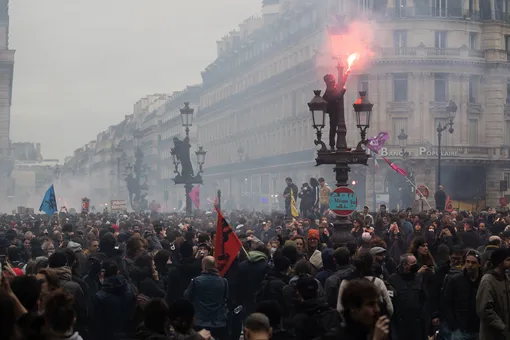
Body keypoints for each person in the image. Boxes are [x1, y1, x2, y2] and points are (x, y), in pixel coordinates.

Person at [322, 279, 389, 340]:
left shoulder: (375, 332)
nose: (377, 309)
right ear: (353, 307)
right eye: (371, 304)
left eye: (378, 303)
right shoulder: (335, 337)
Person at [184, 256, 228, 340]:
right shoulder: (224, 281)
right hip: (218, 321)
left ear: (203, 266)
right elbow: (226, 297)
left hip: (199, 320)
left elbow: (186, 295)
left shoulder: (196, 281)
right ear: (215, 266)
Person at [476, 248, 510, 340]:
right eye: (508, 260)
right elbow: (484, 310)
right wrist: (502, 327)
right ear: (499, 262)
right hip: (492, 334)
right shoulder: (488, 281)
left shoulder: (506, 279)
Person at [322, 73, 346, 150]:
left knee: (339, 129)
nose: (333, 80)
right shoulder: (329, 90)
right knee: (334, 129)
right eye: (332, 79)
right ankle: (333, 145)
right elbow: (336, 97)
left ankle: (335, 145)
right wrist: (343, 91)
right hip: (334, 112)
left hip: (337, 111)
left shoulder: (331, 88)